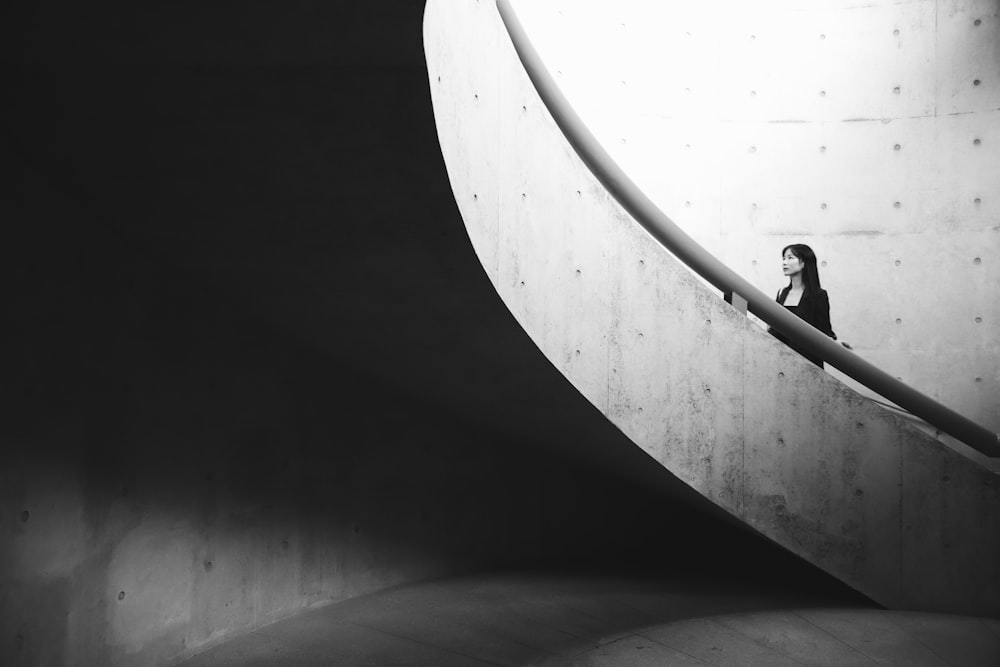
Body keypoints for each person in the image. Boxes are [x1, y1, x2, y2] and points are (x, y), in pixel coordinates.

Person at [769, 244, 837, 368]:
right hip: (782, 362)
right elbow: (775, 330)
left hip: (808, 363)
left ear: (803, 263)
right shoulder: (782, 293)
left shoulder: (818, 295)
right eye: (783, 258)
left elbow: (824, 331)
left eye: (790, 258)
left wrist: (838, 345)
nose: (784, 262)